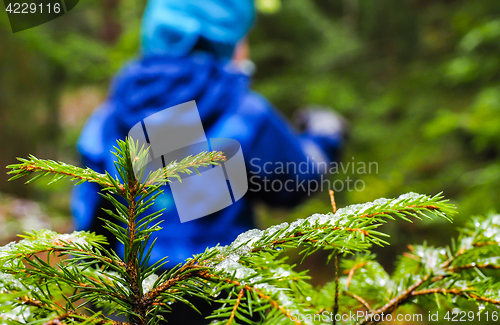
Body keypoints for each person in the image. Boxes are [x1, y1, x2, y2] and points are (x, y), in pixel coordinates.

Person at [72, 0, 346, 275]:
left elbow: (91, 217)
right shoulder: (241, 110)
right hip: (227, 298)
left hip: (133, 300)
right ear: (224, 39)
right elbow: (293, 183)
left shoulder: (111, 113)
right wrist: (325, 135)